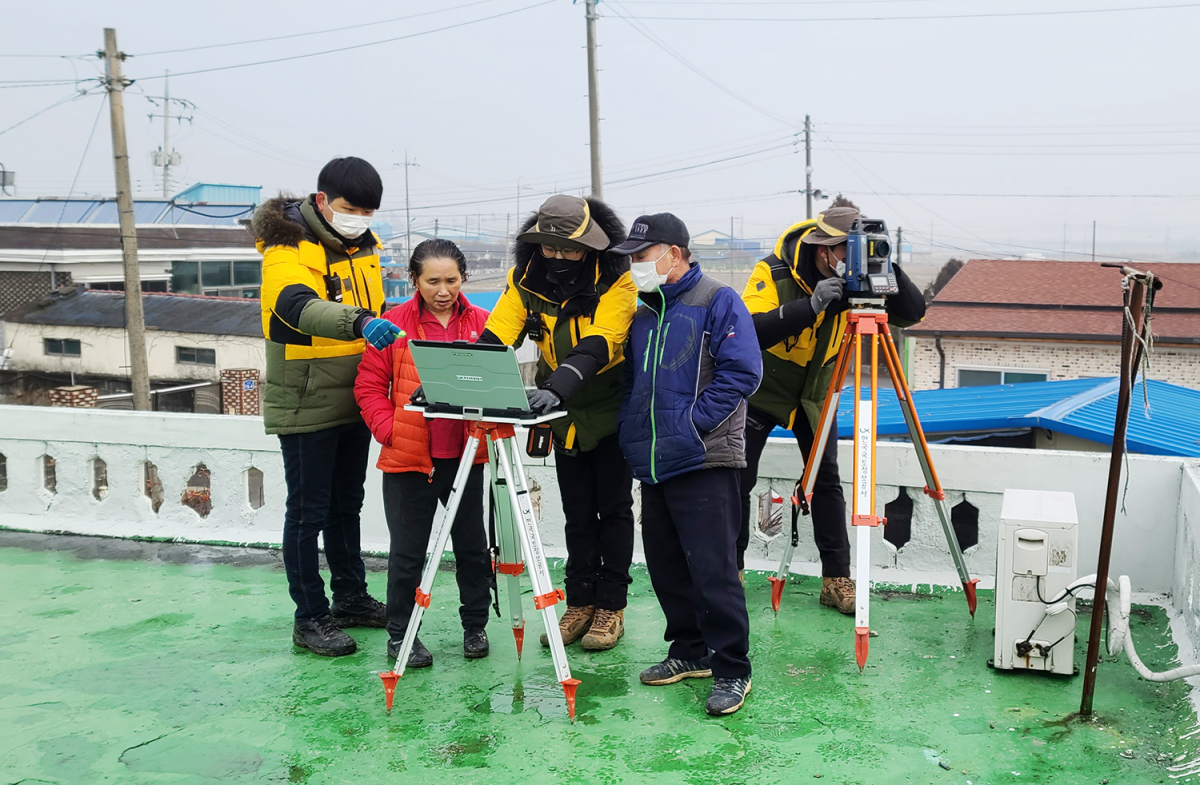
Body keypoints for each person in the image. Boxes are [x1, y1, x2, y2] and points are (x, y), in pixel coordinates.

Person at [738, 207, 926, 613]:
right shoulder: (773, 272)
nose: (852, 259)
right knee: (737, 479)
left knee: (826, 483)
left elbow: (912, 313)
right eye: (848, 250)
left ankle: (836, 578)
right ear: (824, 251)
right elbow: (750, 328)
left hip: (815, 392)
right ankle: (728, 570)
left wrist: (882, 263)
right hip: (763, 388)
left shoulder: (861, 279)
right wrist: (811, 305)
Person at [254, 157, 403, 657]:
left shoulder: (363, 248)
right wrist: (359, 322)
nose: (358, 217)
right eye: (348, 207)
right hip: (306, 400)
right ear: (322, 201)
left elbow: (382, 309)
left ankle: (351, 598)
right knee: (308, 513)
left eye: (367, 210)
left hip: (355, 396)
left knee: (347, 505)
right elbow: (293, 306)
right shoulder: (287, 246)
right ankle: (310, 617)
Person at [615, 213, 762, 716]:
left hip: (704, 457)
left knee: (713, 570)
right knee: (668, 566)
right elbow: (633, 383)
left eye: (642, 255)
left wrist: (690, 425)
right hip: (656, 461)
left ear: (674, 253)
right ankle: (688, 652)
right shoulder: (644, 312)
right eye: (632, 257)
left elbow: (743, 371)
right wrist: (634, 430)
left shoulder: (718, 299)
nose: (635, 265)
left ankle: (732, 669)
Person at [479, 194, 637, 652]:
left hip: (607, 405)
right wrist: (466, 379)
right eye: (550, 249)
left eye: (569, 249)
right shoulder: (524, 281)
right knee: (577, 513)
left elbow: (600, 342)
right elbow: (497, 335)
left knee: (615, 510)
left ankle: (611, 605)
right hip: (561, 411)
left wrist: (557, 388)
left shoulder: (617, 283)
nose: (559, 258)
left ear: (590, 247)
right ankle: (579, 600)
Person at [355, 239, 493, 668]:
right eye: (432, 280)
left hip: (467, 454)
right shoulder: (392, 325)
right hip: (408, 457)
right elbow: (368, 386)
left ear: (463, 278)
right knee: (408, 552)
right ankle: (402, 635)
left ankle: (475, 626)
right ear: (415, 280)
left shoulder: (483, 324)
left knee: (472, 546)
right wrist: (390, 430)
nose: (443, 289)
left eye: (451, 279)